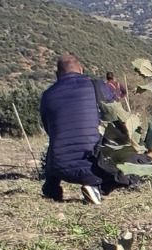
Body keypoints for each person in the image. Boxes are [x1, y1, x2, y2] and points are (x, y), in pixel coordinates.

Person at [38, 53, 125, 202]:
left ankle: (51, 189)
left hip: (59, 166)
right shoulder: (97, 86)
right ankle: (97, 187)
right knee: (124, 153)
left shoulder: (48, 95)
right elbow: (115, 115)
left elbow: (49, 130)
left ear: (57, 74)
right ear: (81, 69)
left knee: (56, 141)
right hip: (92, 166)